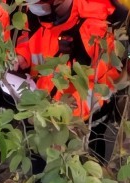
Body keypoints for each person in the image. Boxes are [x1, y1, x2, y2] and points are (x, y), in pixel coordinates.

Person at [15, 0, 121, 157]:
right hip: (48, 115)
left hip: (83, 123)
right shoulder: (40, 18)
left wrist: (68, 111)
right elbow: (33, 42)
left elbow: (105, 84)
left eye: (36, 2)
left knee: (83, 168)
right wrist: (23, 56)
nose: (31, 6)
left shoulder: (94, 28)